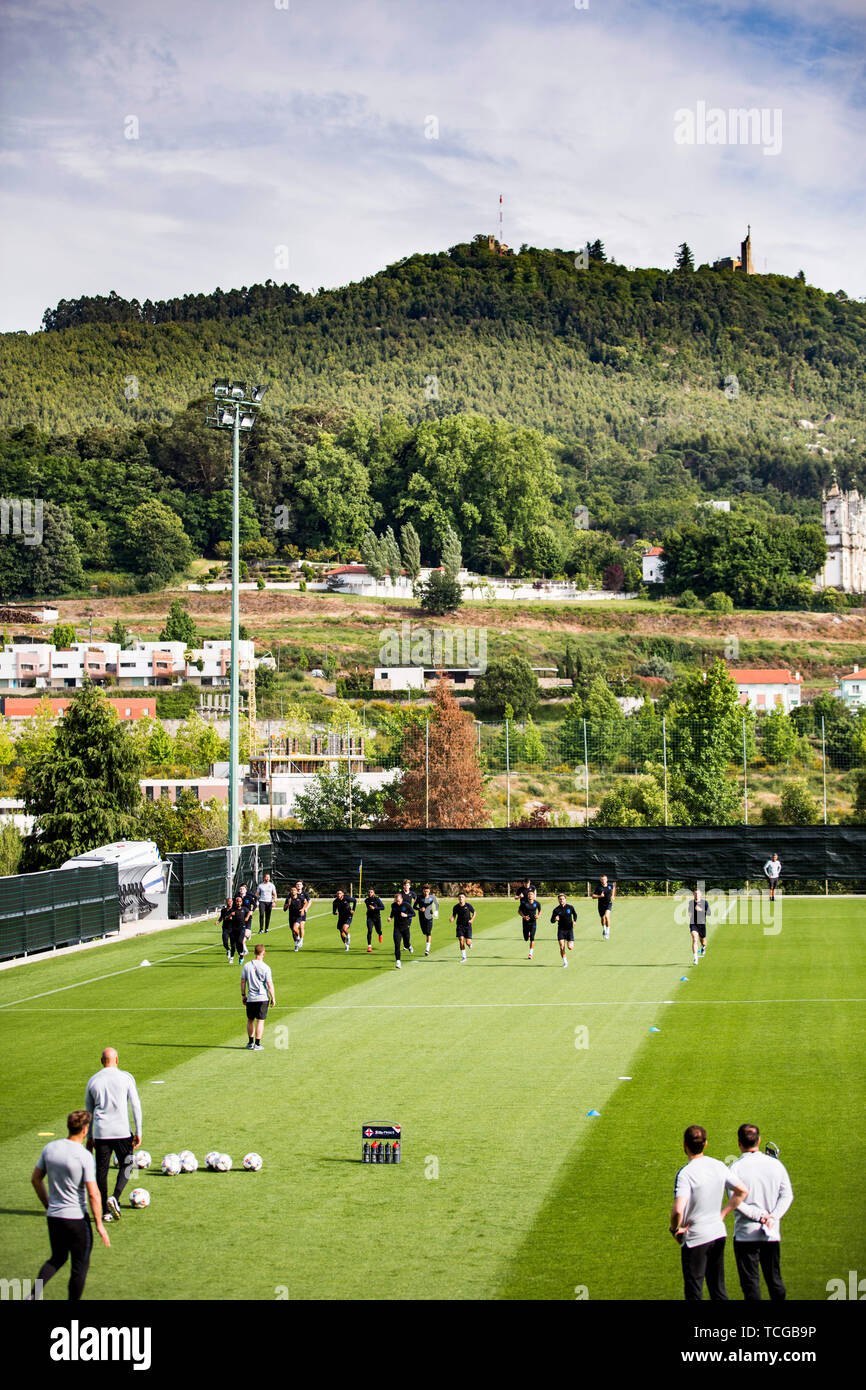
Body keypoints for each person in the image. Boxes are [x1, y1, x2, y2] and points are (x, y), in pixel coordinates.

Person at [29, 1110, 110, 1300]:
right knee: (79, 1266)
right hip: (77, 1220)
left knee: (56, 1258)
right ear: (84, 1129)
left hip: (54, 1217)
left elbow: (35, 1179)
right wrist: (99, 1224)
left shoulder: (50, 1148)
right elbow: (93, 1193)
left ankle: (32, 1296)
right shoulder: (84, 1156)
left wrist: (49, 1205)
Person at [669, 1124, 748, 1302]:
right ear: (705, 1144)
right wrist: (723, 1214)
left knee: (694, 1291)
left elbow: (677, 1211)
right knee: (718, 1289)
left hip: (696, 1237)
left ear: (684, 1145)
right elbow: (742, 1190)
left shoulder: (685, 1174)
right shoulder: (718, 1165)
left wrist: (674, 1229)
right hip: (718, 1233)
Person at [727, 1124, 793, 1302]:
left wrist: (759, 1217)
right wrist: (772, 1217)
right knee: (775, 1281)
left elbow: (736, 1201)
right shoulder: (775, 1165)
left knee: (750, 1286)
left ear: (739, 1142)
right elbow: (787, 1195)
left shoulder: (735, 1168)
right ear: (759, 1140)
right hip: (771, 1234)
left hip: (745, 1236)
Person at [83, 1047, 142, 1223]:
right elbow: (135, 1105)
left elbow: (89, 1111)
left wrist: (89, 1136)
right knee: (130, 1164)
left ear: (102, 1061)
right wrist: (138, 1131)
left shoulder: (93, 1081)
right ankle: (115, 1196)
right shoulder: (126, 1077)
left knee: (101, 1170)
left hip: (101, 1131)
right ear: (117, 1060)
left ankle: (105, 1212)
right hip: (122, 1130)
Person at [241, 943, 276, 1050]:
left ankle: (250, 1042)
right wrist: (273, 997)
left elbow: (243, 981)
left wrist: (243, 995)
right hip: (262, 997)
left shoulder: (247, 965)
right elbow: (269, 984)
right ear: (263, 953)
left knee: (250, 1020)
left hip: (251, 997)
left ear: (255, 952)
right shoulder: (266, 967)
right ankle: (257, 1043)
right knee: (260, 1021)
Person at [551, 892, 577, 967]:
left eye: (563, 899)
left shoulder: (570, 907)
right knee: (562, 946)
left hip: (569, 929)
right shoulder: (556, 910)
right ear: (558, 900)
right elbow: (551, 920)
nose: (561, 900)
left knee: (570, 947)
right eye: (560, 899)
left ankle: (570, 942)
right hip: (561, 930)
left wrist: (574, 921)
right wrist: (555, 919)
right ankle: (565, 962)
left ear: (565, 899)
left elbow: (575, 914)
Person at [390, 891, 414, 969]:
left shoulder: (406, 905)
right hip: (397, 928)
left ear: (401, 899)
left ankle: (409, 945)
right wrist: (390, 917)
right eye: (396, 901)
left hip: (405, 927)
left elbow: (413, 914)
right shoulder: (393, 905)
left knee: (406, 943)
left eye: (399, 901)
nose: (397, 902)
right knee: (397, 945)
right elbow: (392, 913)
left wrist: (406, 915)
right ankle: (398, 961)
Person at [687, 887, 711, 965]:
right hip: (693, 924)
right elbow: (689, 913)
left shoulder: (705, 903)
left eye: (698, 894)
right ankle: (695, 958)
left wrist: (701, 910)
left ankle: (703, 947)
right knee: (694, 939)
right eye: (695, 893)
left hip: (702, 924)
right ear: (694, 895)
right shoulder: (691, 903)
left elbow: (709, 913)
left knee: (703, 941)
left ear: (701, 895)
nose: (696, 895)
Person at [451, 891, 475, 963]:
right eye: (460, 897)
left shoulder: (468, 906)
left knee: (468, 942)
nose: (461, 898)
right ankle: (464, 957)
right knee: (461, 940)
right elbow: (454, 915)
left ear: (465, 898)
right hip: (460, 926)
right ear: (458, 898)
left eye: (462, 897)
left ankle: (470, 944)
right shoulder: (456, 907)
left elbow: (474, 912)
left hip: (467, 926)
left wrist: (472, 919)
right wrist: (452, 918)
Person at [519, 887, 542, 960]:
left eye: (531, 894)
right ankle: (527, 934)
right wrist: (524, 916)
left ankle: (530, 954)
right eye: (529, 894)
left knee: (532, 938)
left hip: (533, 923)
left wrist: (538, 916)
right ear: (527, 895)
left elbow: (540, 911)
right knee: (526, 939)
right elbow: (519, 911)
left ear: (534, 895)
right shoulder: (524, 903)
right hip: (525, 923)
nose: (530, 895)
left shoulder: (537, 903)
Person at [225, 894, 248, 964]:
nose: (238, 903)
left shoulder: (244, 909)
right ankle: (240, 955)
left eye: (240, 901)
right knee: (234, 944)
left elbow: (249, 913)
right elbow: (226, 918)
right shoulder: (232, 909)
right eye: (237, 901)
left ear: (242, 902)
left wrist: (247, 918)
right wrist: (230, 915)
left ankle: (241, 954)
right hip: (234, 928)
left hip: (242, 928)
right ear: (235, 902)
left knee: (240, 941)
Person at [417, 884, 439, 955]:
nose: (426, 893)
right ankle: (427, 946)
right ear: (423, 891)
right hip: (421, 917)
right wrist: (420, 909)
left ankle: (427, 950)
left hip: (429, 917)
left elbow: (436, 904)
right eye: (424, 891)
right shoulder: (419, 897)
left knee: (429, 933)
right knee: (425, 932)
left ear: (429, 891)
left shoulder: (432, 897)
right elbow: (414, 906)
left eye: (427, 891)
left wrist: (435, 912)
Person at [592, 874, 616, 939]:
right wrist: (600, 896)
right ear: (600, 880)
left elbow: (613, 887)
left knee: (607, 917)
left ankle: (607, 932)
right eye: (602, 879)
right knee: (603, 919)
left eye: (605, 879)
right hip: (601, 905)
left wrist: (613, 895)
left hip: (608, 904)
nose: (603, 880)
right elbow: (593, 896)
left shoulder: (610, 885)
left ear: (607, 879)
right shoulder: (598, 887)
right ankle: (604, 930)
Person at [285, 885, 307, 951]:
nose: (293, 891)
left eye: (294, 890)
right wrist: (288, 904)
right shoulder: (288, 899)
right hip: (291, 916)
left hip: (298, 915)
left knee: (295, 928)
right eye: (291, 890)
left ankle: (299, 938)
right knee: (293, 932)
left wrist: (303, 909)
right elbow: (284, 909)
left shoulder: (300, 898)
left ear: (297, 892)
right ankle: (296, 944)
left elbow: (306, 903)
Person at [364, 887, 385, 952]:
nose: (370, 893)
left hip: (377, 917)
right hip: (370, 917)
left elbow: (383, 907)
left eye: (371, 892)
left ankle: (380, 934)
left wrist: (375, 908)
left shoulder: (377, 899)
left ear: (374, 893)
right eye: (369, 892)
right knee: (369, 930)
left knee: (378, 930)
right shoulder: (366, 900)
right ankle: (369, 946)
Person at [219, 896, 234, 961]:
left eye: (231, 901)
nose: (230, 903)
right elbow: (221, 917)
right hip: (225, 928)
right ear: (226, 902)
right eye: (228, 901)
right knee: (225, 942)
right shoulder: (223, 910)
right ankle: (228, 949)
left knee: (233, 944)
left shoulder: (234, 910)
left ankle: (232, 957)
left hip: (233, 928)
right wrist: (218, 921)